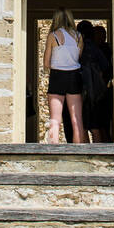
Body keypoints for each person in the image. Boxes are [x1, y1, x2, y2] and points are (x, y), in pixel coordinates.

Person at [43, 8, 86, 144]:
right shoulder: (79, 36)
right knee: (76, 119)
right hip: (74, 76)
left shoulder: (53, 35)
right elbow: (78, 57)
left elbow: (46, 62)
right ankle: (79, 152)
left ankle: (53, 151)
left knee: (55, 119)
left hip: (57, 75)